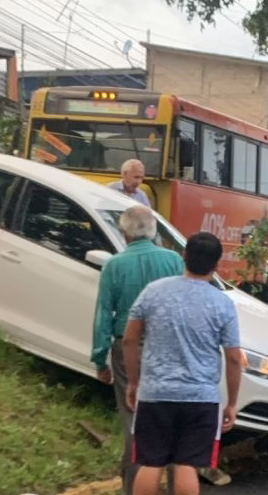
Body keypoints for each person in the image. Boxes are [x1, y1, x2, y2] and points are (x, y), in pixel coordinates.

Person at [123, 232, 242, 495]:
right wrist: (232, 402)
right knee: (187, 465)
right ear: (217, 264)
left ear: (184, 256)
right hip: (201, 397)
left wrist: (133, 382)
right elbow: (234, 357)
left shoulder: (153, 292)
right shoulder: (223, 304)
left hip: (155, 393)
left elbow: (130, 340)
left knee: (150, 462)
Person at [91, 206, 183, 495]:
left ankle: (134, 487)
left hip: (127, 348)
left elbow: (104, 313)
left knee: (134, 418)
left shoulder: (115, 265)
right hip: (167, 347)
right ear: (154, 231)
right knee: (166, 415)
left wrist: (99, 358)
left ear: (125, 233)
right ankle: (170, 482)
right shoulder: (174, 261)